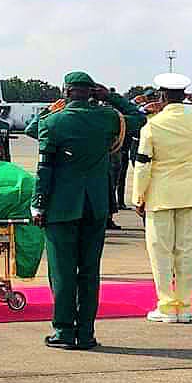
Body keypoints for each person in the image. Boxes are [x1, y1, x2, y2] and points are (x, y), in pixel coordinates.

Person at [32, 71, 144, 350]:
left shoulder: (53, 121)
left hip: (61, 207)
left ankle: (64, 331)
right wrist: (111, 97)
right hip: (95, 206)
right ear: (92, 91)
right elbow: (138, 118)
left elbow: (36, 141)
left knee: (62, 271)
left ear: (66, 91)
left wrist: (38, 203)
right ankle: (86, 333)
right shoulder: (107, 118)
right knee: (90, 271)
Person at [132, 73, 192, 324]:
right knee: (185, 252)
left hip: (160, 195)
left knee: (160, 253)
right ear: (184, 95)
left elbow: (143, 166)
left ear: (162, 95)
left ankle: (166, 306)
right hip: (190, 194)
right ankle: (186, 306)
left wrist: (138, 197)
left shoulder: (152, 125)